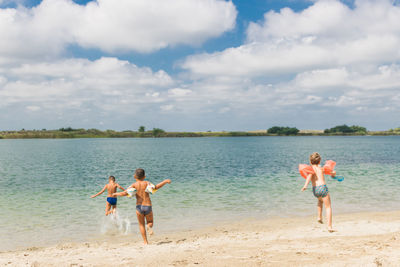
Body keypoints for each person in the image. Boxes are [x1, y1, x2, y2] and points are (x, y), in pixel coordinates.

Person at [113, 168, 171, 244]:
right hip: (148, 206)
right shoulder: (147, 183)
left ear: (134, 176)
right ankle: (149, 227)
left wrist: (116, 194)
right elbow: (156, 187)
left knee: (141, 225)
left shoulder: (134, 185)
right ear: (144, 176)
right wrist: (165, 181)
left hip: (139, 207)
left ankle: (145, 241)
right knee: (150, 222)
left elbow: (125, 193)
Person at [301, 152, 336, 232]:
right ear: (319, 161)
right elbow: (331, 173)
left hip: (315, 190)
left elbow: (309, 177)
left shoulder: (310, 169)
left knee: (320, 201)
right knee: (328, 207)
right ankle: (329, 227)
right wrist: (333, 173)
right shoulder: (321, 168)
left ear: (310, 162)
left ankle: (319, 217)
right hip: (323, 188)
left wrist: (305, 186)